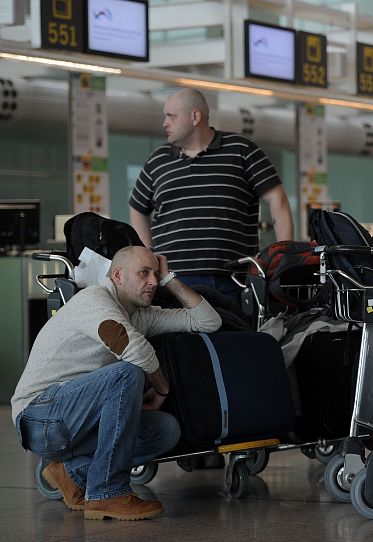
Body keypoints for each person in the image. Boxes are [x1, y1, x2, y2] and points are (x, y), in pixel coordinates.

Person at [11, 246, 222, 520]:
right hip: (39, 418)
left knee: (165, 430)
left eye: (156, 274)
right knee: (128, 372)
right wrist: (162, 388)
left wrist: (170, 278)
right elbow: (131, 347)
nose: (153, 282)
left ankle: (71, 473)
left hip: (76, 421)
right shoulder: (93, 300)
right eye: (144, 273)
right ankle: (107, 492)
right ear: (118, 275)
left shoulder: (141, 315)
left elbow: (208, 322)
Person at [129, 88, 294, 301]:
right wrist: (149, 255)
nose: (164, 123)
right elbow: (138, 208)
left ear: (195, 117)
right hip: (172, 279)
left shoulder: (241, 150)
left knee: (232, 324)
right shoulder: (158, 160)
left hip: (233, 279)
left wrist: (283, 260)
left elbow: (278, 199)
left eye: (171, 116)